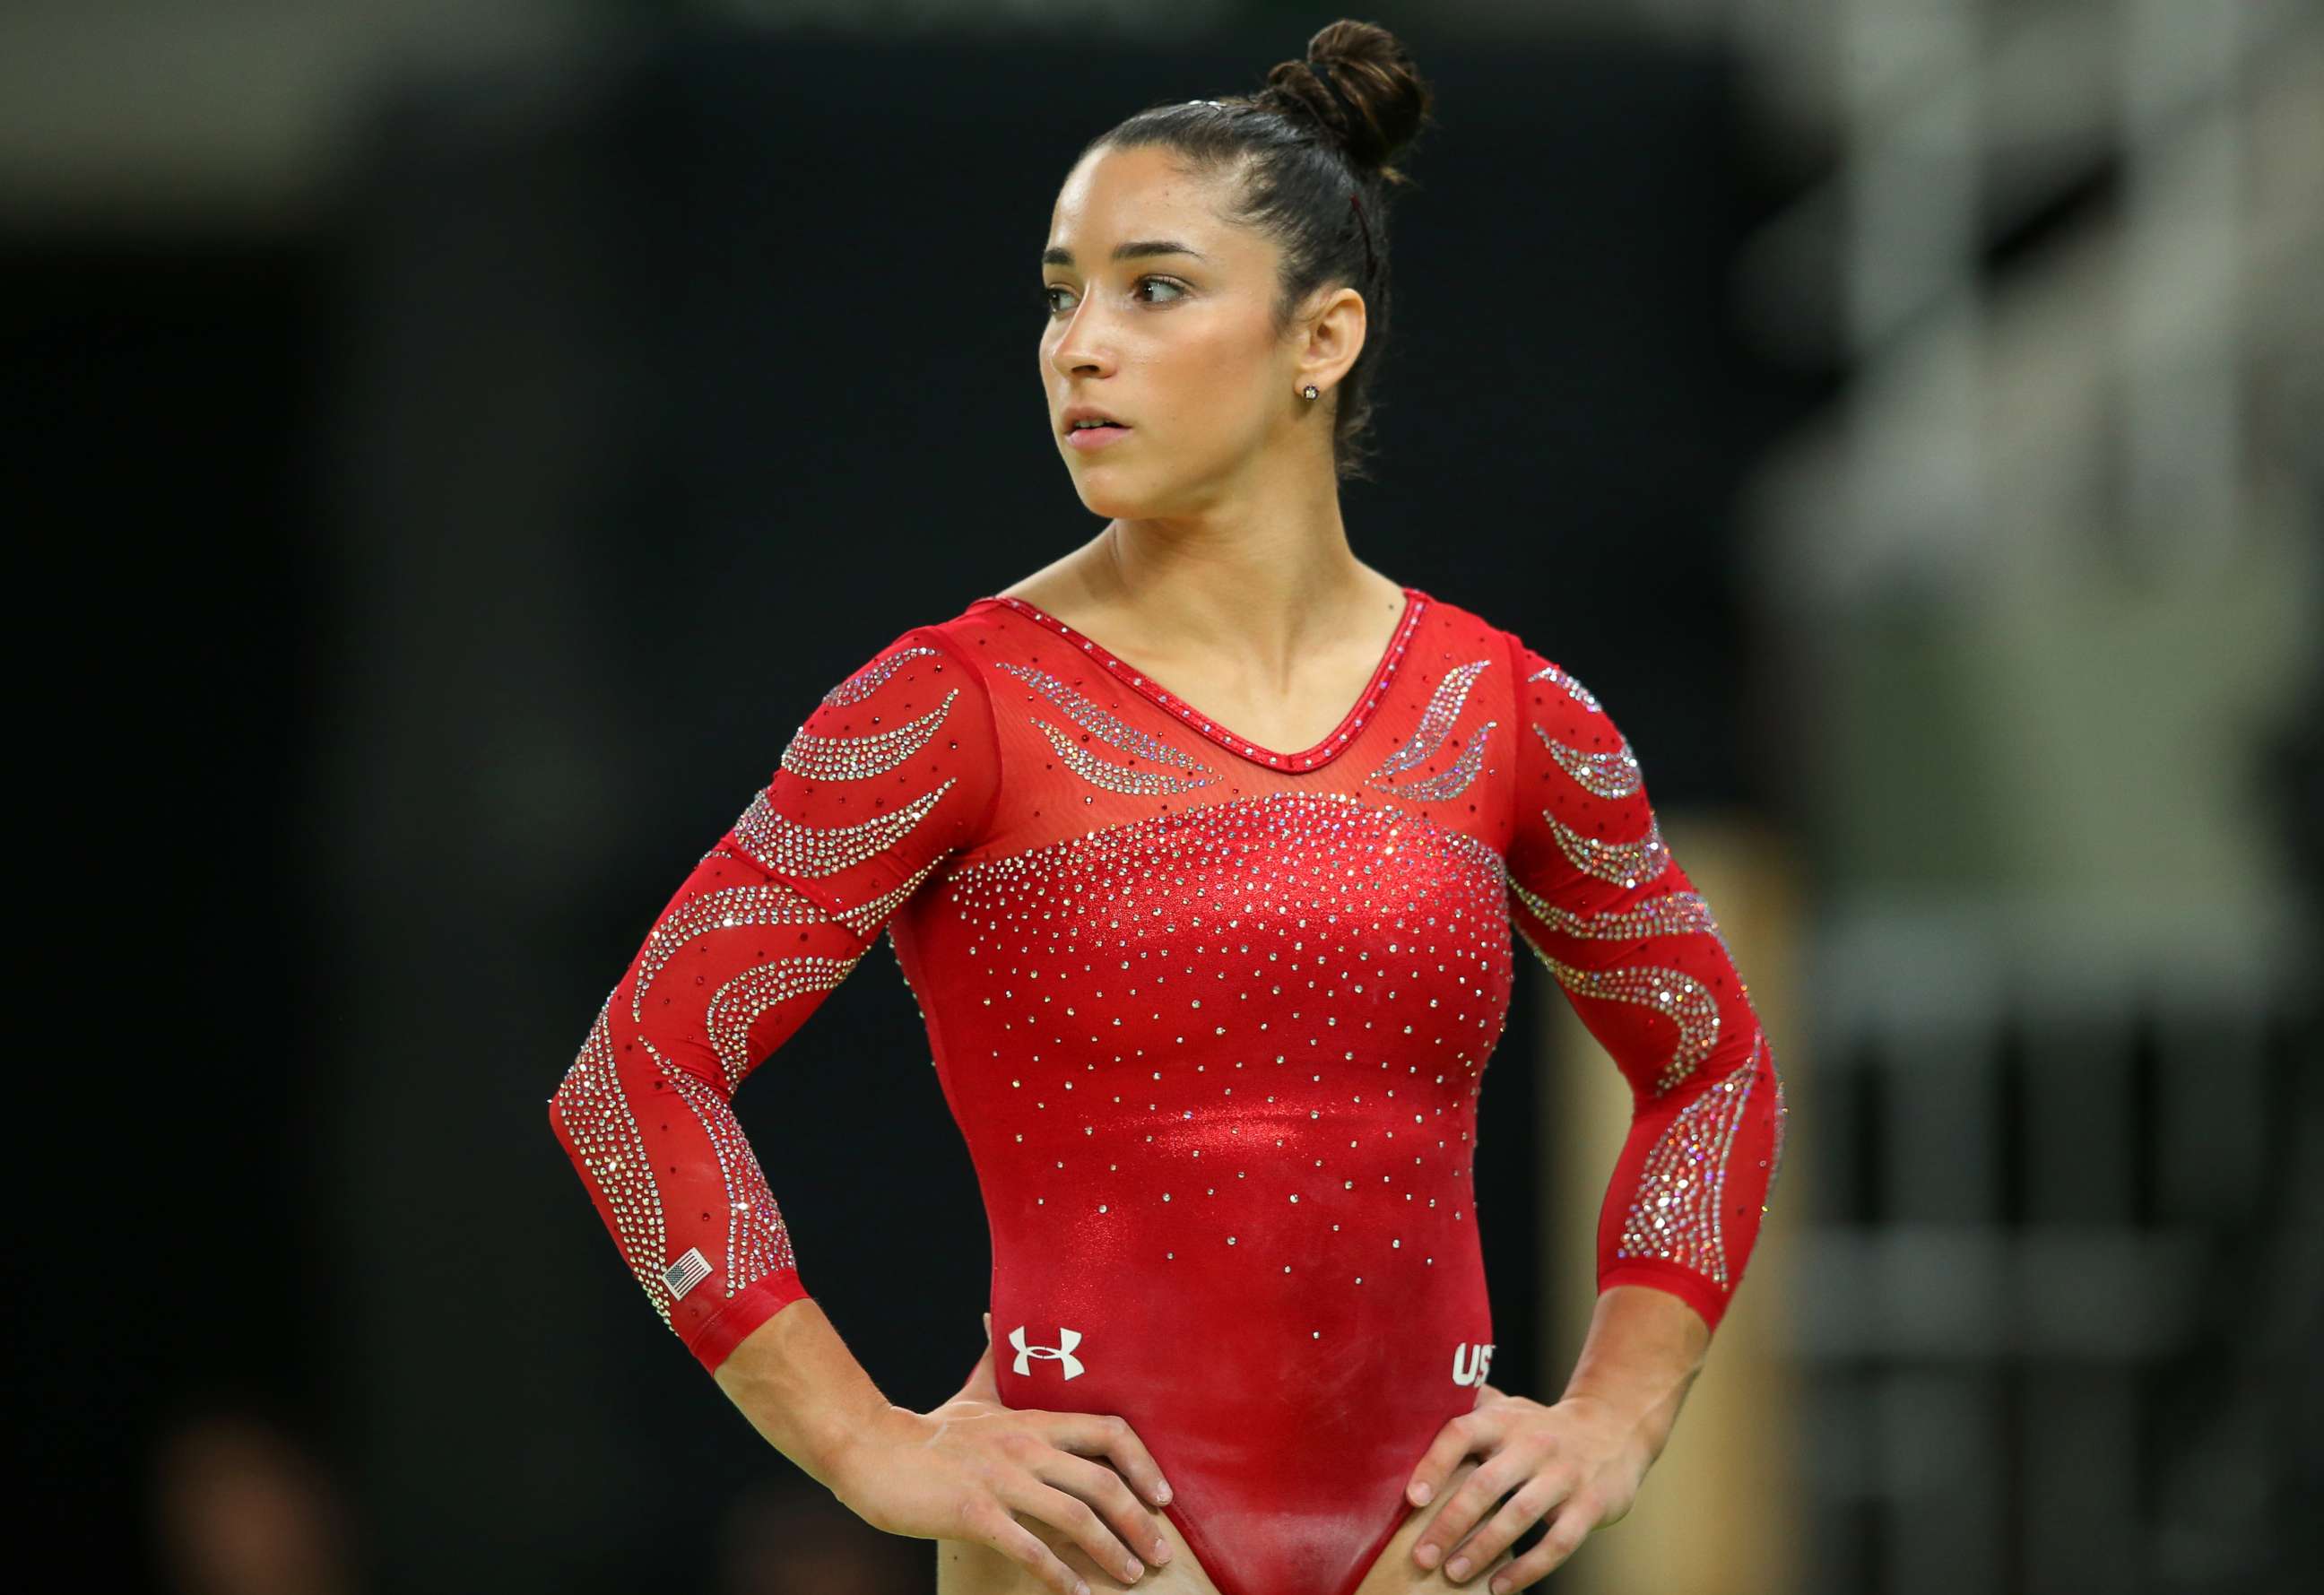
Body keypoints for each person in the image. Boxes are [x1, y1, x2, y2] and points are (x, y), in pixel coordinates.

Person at [548, 20, 1787, 1595]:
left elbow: (1716, 1074)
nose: (1079, 344)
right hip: (1097, 1565)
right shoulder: (955, 706)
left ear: (1319, 338)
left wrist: (1615, 1417)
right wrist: (869, 1445)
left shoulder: (1507, 713)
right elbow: (636, 1076)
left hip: (1428, 1560)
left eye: (1152, 288)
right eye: (1062, 294)